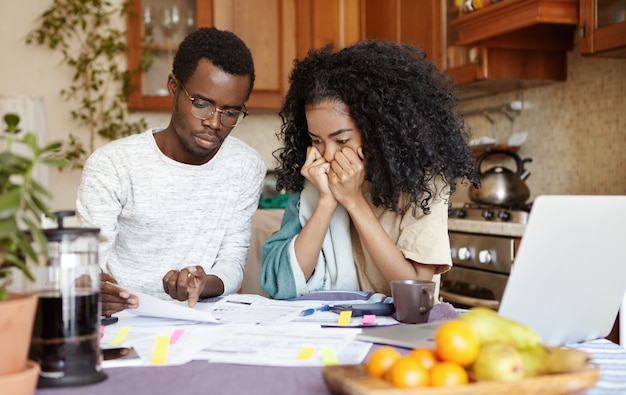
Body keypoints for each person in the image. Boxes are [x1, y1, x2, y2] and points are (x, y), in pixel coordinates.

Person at [260, 40, 479, 300]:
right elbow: (280, 284)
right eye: (316, 140)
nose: (328, 154)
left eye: (342, 140)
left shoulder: (425, 183)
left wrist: (353, 201)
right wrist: (327, 201)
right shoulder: (316, 181)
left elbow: (417, 293)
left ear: (377, 131)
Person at [76, 27, 266, 315]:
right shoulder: (112, 164)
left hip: (201, 320)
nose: (215, 123)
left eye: (230, 112)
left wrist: (204, 283)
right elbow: (87, 266)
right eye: (202, 104)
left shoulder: (246, 166)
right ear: (174, 87)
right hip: (126, 319)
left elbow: (232, 262)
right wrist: (94, 290)